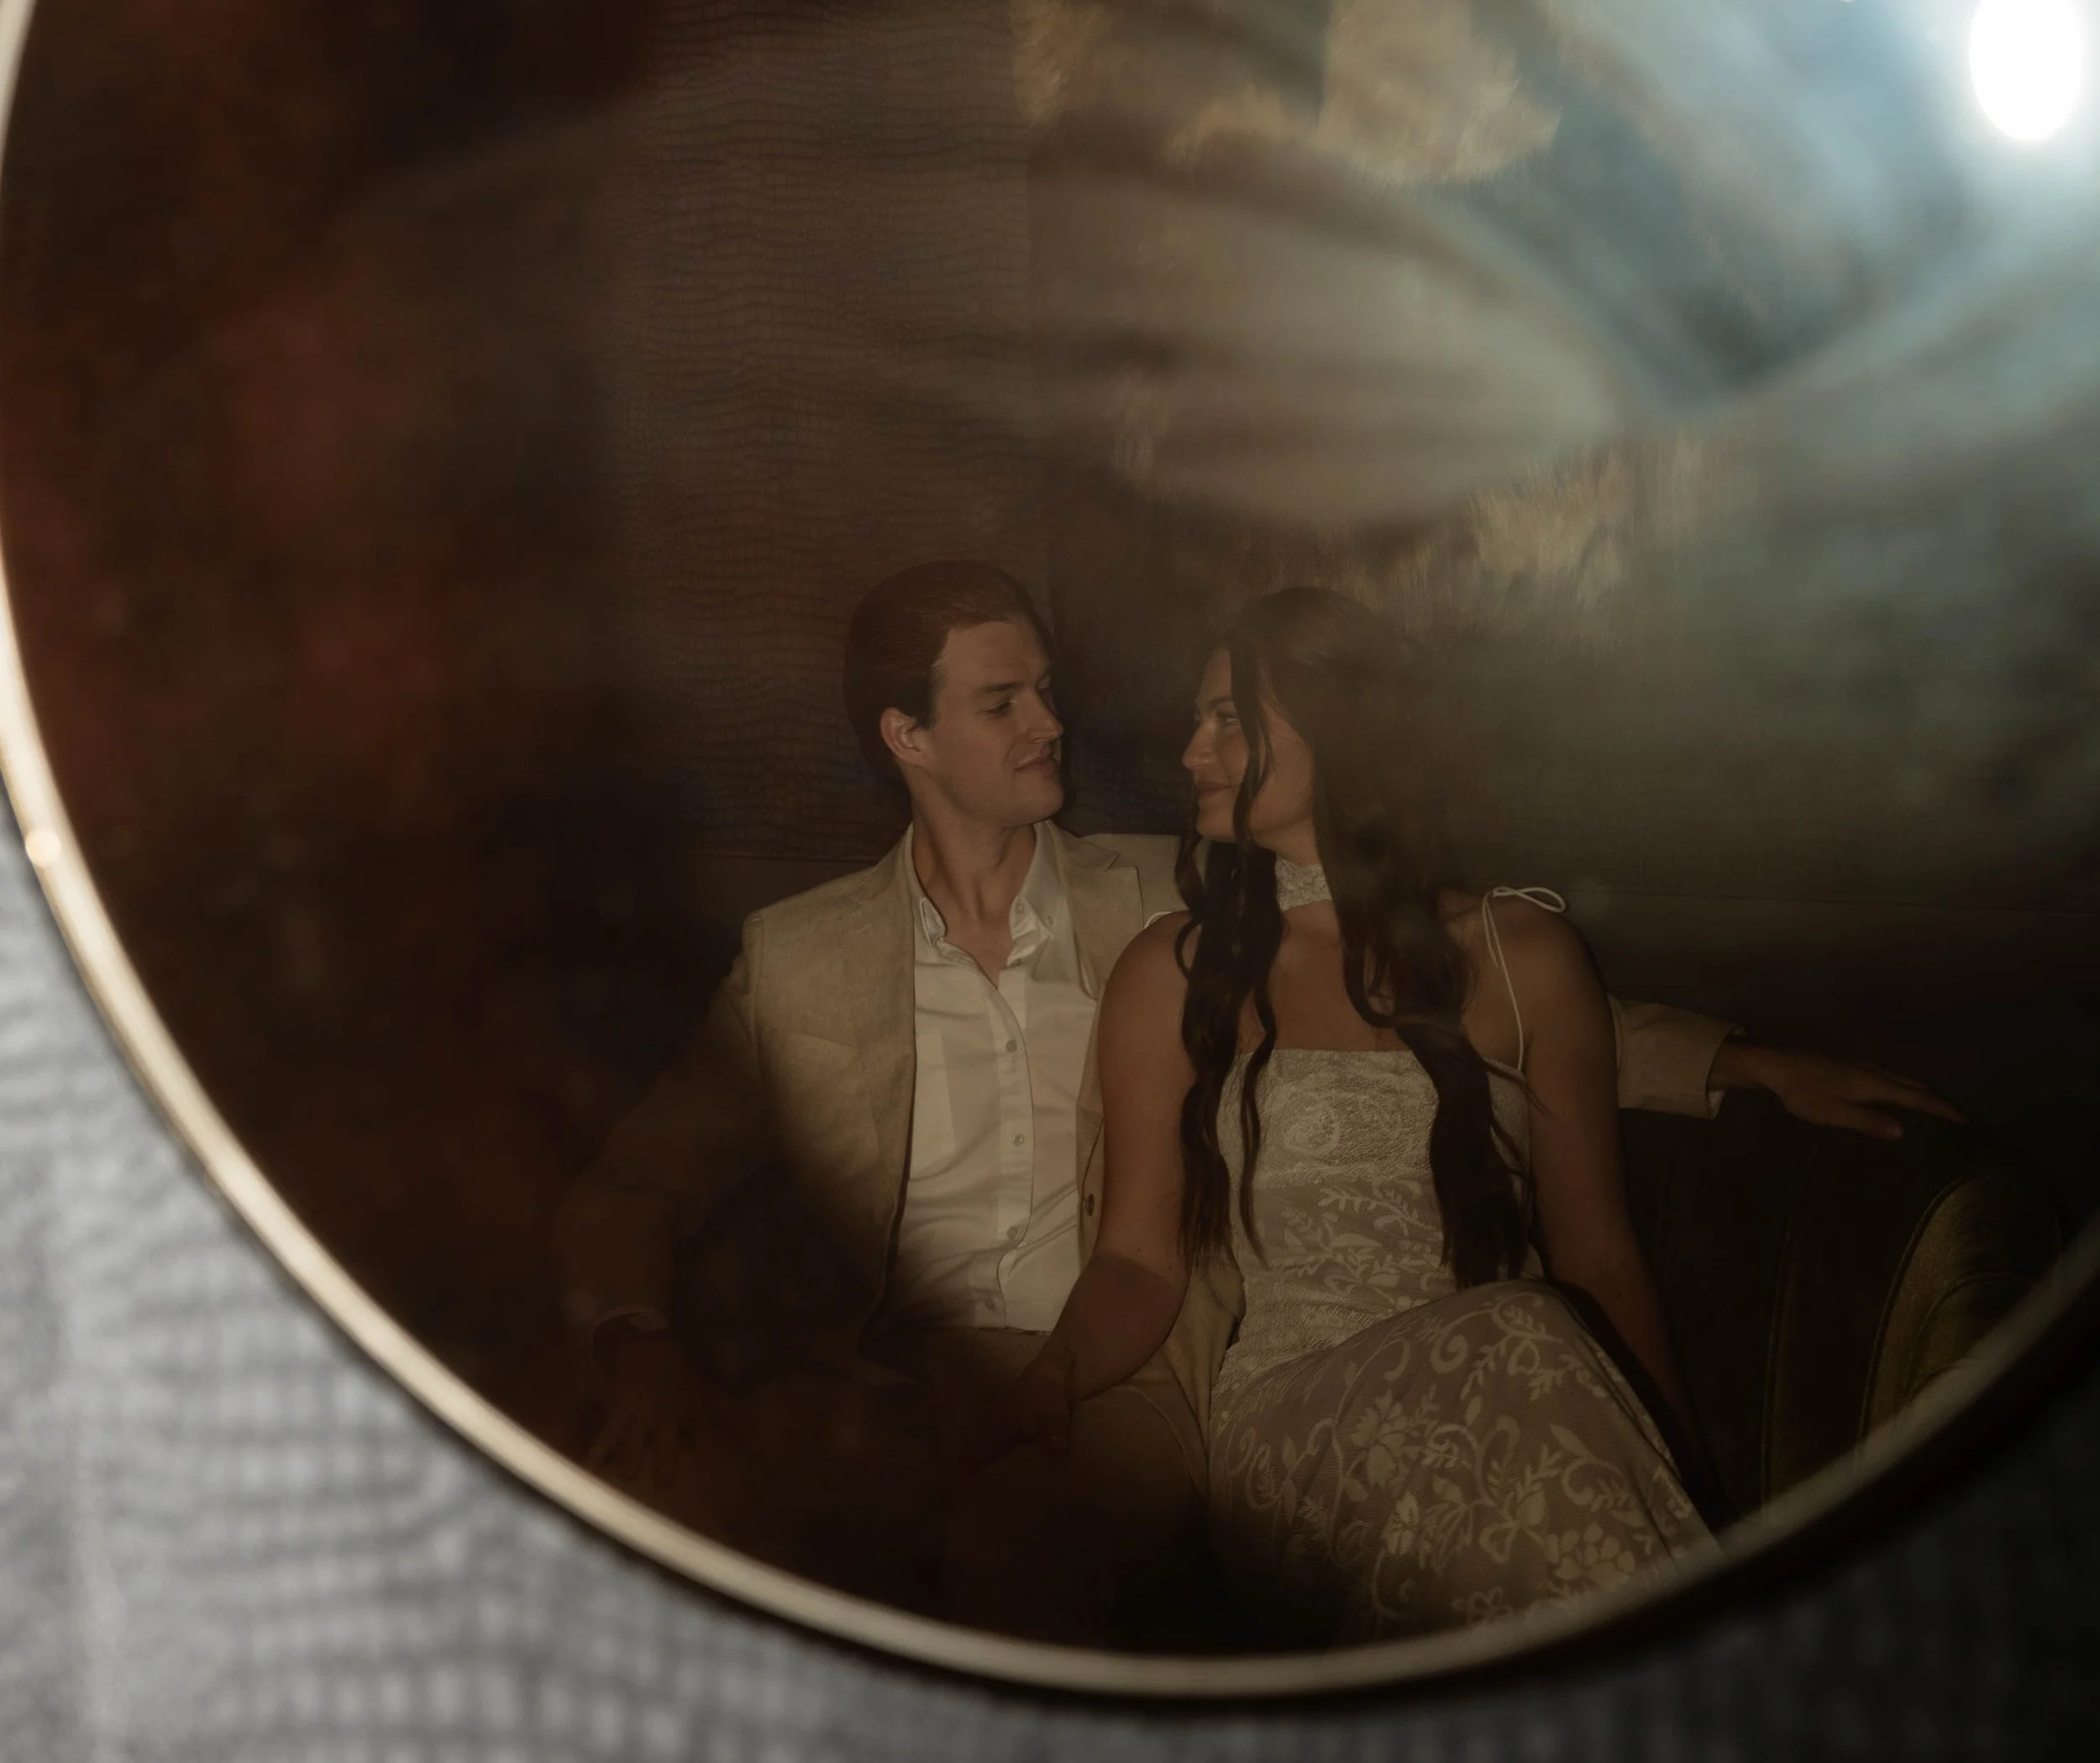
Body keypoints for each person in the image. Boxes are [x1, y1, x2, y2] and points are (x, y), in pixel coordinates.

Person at [558, 560, 1955, 1647]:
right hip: (897, 1381)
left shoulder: (1153, 905)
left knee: (1497, 1354)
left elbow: (1484, 1009)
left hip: (1145, 1378)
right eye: (1005, 702)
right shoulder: (812, 958)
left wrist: (1733, 1063)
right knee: (632, 1516)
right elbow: (636, 1182)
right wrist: (636, 1340)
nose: (1060, 723)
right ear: (906, 735)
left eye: (1050, 687)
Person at [995, 590, 1731, 1643]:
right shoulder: (1176, 970)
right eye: (1197, 720)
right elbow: (1138, 1261)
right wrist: (1055, 1373)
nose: (1192, 750)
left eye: (1227, 720)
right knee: (1519, 1330)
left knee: (1520, 1342)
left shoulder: (1523, 955)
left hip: (1523, 1399)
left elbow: (1600, 1259)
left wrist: (1680, 1480)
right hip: (1295, 1427)